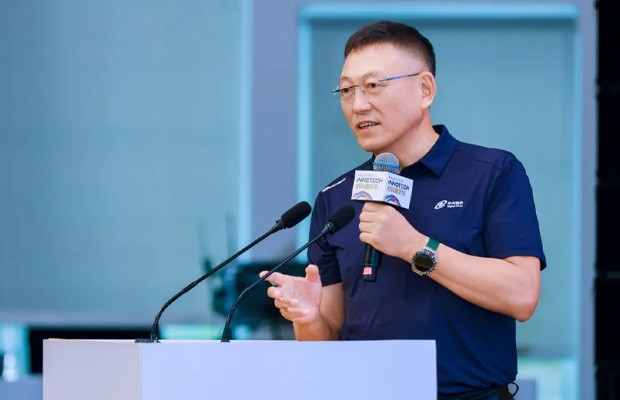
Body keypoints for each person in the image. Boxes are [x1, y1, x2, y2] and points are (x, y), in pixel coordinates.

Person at [262, 20, 546, 399]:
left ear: (425, 89)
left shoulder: (492, 173)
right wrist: (309, 318)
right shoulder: (336, 198)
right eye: (346, 90)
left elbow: (522, 295)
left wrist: (415, 246)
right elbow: (327, 345)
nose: (358, 104)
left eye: (373, 85)